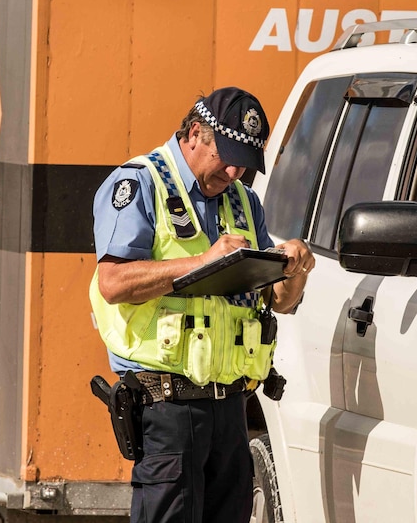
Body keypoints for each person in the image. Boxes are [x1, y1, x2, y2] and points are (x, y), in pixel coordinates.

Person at [90, 87, 315, 523]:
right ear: (195, 134)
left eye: (244, 164)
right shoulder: (139, 182)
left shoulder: (244, 201)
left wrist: (295, 267)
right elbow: (113, 282)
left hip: (231, 410)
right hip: (167, 407)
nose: (233, 171)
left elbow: (279, 302)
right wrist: (203, 260)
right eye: (226, 156)